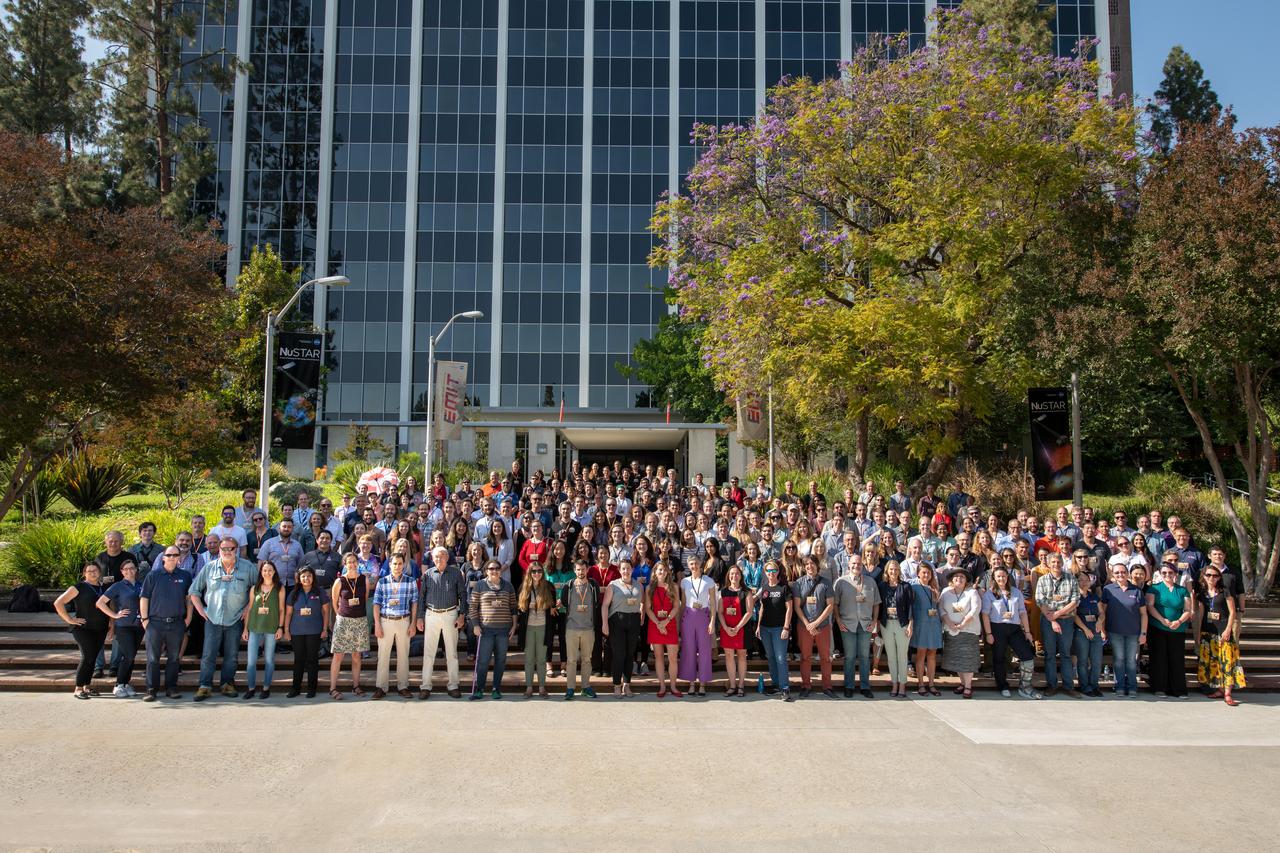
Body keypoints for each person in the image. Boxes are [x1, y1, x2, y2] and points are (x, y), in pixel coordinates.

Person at [189, 539, 256, 701]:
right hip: (212, 619)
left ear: (237, 549)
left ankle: (227, 684)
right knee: (208, 655)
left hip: (235, 619)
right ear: (219, 549)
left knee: (231, 655)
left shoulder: (248, 568)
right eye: (223, 548)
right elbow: (194, 591)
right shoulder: (210, 567)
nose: (227, 551)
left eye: (230, 548)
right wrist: (201, 611)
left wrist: (247, 609)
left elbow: (258, 591)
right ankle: (205, 686)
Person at [138, 546, 193, 701]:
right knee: (153, 658)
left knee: (174, 658)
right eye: (168, 555)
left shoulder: (185, 575)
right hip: (155, 623)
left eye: (175, 555)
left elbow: (189, 598)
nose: (172, 557)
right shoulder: (153, 575)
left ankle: (171, 688)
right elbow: (144, 598)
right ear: (163, 557)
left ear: (179, 558)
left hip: (177, 623)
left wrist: (188, 618)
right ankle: (151, 690)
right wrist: (144, 619)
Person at [980, 565, 1040, 699]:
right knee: (999, 658)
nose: (1001, 579)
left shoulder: (1016, 592)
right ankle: (1002, 685)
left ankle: (1025, 686)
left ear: (1008, 577)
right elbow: (985, 615)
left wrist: (1027, 631)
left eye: (1003, 576)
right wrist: (988, 634)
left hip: (1014, 628)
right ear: (994, 579)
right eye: (998, 576)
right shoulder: (989, 594)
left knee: (1027, 657)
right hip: (997, 628)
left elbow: (1023, 612)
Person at [416, 545, 467, 699]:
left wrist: (462, 614)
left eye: (442, 556)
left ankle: (453, 685)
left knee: (451, 653)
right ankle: (425, 686)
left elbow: (462, 595)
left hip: (450, 614)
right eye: (436, 556)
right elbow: (422, 597)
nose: (439, 559)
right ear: (432, 558)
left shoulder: (456, 573)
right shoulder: (428, 574)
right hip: (431, 615)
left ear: (447, 557)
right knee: (429, 653)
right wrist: (419, 617)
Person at [54, 563, 109, 699]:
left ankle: (87, 686)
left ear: (99, 572)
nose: (92, 573)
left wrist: (111, 627)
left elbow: (110, 607)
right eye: (89, 571)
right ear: (84, 573)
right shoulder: (78, 587)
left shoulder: (104, 588)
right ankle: (78, 688)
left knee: (93, 658)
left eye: (95, 570)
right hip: (83, 628)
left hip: (100, 628)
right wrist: (69, 619)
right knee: (87, 657)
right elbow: (58, 603)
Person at [1195, 563, 1245, 706]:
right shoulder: (1202, 594)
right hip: (1208, 632)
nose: (1212, 578)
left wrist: (1229, 629)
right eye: (1209, 575)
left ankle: (1228, 693)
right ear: (1204, 576)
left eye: (1215, 575)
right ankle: (1220, 689)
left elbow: (1232, 612)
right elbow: (1201, 614)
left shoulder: (1225, 591)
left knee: (1227, 662)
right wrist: (1199, 634)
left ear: (1219, 577)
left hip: (1223, 631)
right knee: (1214, 662)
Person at [371, 553, 419, 699]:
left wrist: (413, 623)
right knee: (383, 656)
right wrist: (377, 624)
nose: (397, 566)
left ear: (404, 565)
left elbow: (415, 603)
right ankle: (381, 687)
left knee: (403, 656)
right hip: (386, 621)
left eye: (400, 563)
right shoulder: (382, 582)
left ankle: (403, 686)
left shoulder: (411, 581)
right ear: (389, 565)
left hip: (404, 621)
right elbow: (376, 604)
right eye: (394, 563)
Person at [469, 560, 518, 700]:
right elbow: (473, 607)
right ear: (486, 571)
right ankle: (479, 688)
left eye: (497, 568)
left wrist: (514, 626)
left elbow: (513, 607)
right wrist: (476, 625)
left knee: (500, 660)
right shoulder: (480, 585)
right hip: (485, 630)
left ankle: (496, 688)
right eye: (491, 568)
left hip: (503, 630)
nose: (494, 571)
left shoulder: (508, 586)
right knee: (483, 661)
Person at [833, 552, 880, 698]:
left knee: (865, 656)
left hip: (865, 624)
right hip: (847, 624)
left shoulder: (871, 582)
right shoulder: (841, 582)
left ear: (863, 565)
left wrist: (874, 621)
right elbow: (834, 604)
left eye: (859, 564)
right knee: (850, 656)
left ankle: (865, 686)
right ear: (849, 565)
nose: (856, 566)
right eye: (853, 563)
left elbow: (877, 603)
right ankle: (849, 685)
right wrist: (839, 621)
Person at [1146, 558, 1193, 699]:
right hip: (1158, 628)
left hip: (1177, 630)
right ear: (1160, 574)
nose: (1167, 575)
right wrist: (1162, 620)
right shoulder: (1154, 588)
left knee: (1176, 659)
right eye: (1164, 572)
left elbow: (1187, 609)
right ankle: (1159, 688)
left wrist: (1179, 621)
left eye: (1170, 572)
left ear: (1175, 574)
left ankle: (1178, 690)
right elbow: (1150, 606)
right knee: (1159, 658)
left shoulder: (1182, 590)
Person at [1034, 551, 1080, 697]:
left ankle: (1068, 686)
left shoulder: (1071, 579)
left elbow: (1075, 600)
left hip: (1066, 620)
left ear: (1062, 563)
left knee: (1066, 654)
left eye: (1058, 561)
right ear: (1048, 563)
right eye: (1053, 562)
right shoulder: (1042, 580)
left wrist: (1058, 614)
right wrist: (1053, 619)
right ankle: (1051, 685)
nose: (1056, 564)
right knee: (1050, 654)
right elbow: (1040, 601)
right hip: (1048, 621)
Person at [96, 559, 144, 697]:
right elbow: (100, 603)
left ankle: (125, 684)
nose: (129, 571)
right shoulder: (118, 586)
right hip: (124, 626)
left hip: (139, 626)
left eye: (132, 568)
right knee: (127, 655)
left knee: (132, 656)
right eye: (126, 569)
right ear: (122, 571)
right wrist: (115, 615)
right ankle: (118, 685)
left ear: (136, 570)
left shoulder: (141, 585)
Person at [1099, 562, 1147, 698]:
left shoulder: (1137, 591)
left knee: (1131, 660)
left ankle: (1132, 687)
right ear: (1113, 575)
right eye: (1117, 572)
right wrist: (1102, 630)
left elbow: (1144, 614)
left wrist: (1143, 632)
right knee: (1119, 659)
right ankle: (1119, 686)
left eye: (1123, 572)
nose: (1120, 574)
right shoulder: (1108, 589)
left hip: (1133, 632)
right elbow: (1102, 611)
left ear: (1127, 573)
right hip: (1115, 631)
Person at [792, 554, 835, 699]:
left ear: (817, 565)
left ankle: (827, 686)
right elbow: (797, 606)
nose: (810, 566)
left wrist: (816, 623)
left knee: (825, 658)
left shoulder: (826, 583)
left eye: (812, 563)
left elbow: (830, 605)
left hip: (822, 626)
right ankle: (806, 685)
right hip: (804, 627)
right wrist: (808, 624)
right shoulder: (799, 583)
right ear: (804, 567)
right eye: (807, 564)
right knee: (805, 657)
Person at [328, 552, 370, 699]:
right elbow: (334, 602)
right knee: (338, 655)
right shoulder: (339, 581)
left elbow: (364, 599)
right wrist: (341, 615)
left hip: (360, 620)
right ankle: (333, 688)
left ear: (357, 563)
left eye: (354, 561)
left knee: (356, 655)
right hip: (343, 620)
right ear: (344, 564)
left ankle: (356, 686)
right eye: (349, 562)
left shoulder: (364, 579)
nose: (352, 564)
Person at [241, 561, 285, 699]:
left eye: (270, 570)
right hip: (254, 627)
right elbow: (249, 609)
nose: (267, 572)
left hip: (271, 628)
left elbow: (282, 610)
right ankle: (251, 687)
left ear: (274, 572)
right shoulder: (255, 588)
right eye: (265, 570)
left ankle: (266, 687)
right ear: (261, 572)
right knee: (251, 661)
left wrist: (280, 627)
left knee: (269, 660)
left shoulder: (279, 588)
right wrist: (245, 629)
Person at [601, 559, 645, 697]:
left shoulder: (639, 585)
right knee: (619, 654)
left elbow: (642, 602)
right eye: (623, 569)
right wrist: (605, 623)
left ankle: (627, 685)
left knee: (629, 654)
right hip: (617, 622)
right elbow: (605, 606)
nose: (626, 571)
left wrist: (642, 616)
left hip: (633, 621)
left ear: (632, 569)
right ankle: (616, 685)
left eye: (628, 568)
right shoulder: (613, 585)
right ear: (620, 570)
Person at [285, 566, 330, 698]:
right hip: (296, 631)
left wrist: (325, 629)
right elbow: (288, 613)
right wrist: (286, 630)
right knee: (298, 660)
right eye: (303, 576)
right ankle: (295, 688)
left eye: (309, 576)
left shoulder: (319, 592)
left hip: (314, 631)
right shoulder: (294, 593)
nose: (306, 578)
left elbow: (326, 611)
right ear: (299, 578)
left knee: (312, 660)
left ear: (313, 577)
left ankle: (311, 689)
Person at [560, 559, 599, 699]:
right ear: (574, 570)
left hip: (588, 629)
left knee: (587, 660)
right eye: (578, 569)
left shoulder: (593, 585)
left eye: (583, 569)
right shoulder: (568, 586)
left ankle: (585, 686)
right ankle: (570, 688)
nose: (581, 572)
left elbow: (596, 604)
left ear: (587, 569)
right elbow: (563, 602)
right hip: (572, 628)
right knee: (571, 660)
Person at [939, 569, 982, 698]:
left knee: (967, 660)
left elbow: (975, 610)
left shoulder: (972, 592)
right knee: (957, 660)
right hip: (951, 630)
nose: (959, 578)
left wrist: (963, 624)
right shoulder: (946, 592)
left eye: (962, 576)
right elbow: (940, 608)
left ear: (966, 580)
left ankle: (968, 686)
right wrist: (950, 623)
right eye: (956, 576)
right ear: (952, 579)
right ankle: (963, 683)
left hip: (968, 631)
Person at [755, 561, 794, 700]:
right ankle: (776, 684)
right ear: (765, 572)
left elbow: (789, 608)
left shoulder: (784, 587)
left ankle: (785, 687)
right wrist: (759, 626)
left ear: (778, 572)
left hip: (779, 629)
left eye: (773, 570)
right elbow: (762, 608)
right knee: (771, 658)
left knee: (780, 659)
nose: (771, 573)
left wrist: (786, 627)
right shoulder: (764, 588)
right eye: (768, 571)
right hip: (765, 628)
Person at [678, 555, 717, 696]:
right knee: (689, 650)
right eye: (691, 564)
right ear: (688, 566)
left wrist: (712, 621)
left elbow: (713, 603)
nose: (694, 566)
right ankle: (691, 683)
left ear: (701, 564)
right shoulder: (684, 582)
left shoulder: (709, 581)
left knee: (704, 650)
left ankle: (702, 684)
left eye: (696, 563)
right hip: (688, 617)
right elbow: (683, 602)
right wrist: (679, 623)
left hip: (704, 616)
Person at [878, 560, 915, 698]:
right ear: (887, 571)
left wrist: (910, 625)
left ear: (899, 571)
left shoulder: (906, 587)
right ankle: (894, 683)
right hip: (886, 624)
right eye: (891, 569)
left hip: (902, 624)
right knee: (891, 657)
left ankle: (903, 684)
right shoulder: (882, 586)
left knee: (902, 656)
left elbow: (911, 607)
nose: (893, 572)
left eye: (896, 569)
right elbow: (879, 605)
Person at [517, 562, 555, 697]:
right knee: (529, 659)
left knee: (541, 659)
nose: (537, 573)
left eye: (539, 571)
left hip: (543, 627)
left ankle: (541, 687)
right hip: (528, 628)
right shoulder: (524, 587)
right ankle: (528, 687)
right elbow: (520, 608)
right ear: (529, 573)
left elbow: (553, 607)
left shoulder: (549, 587)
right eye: (534, 571)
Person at [645, 561, 682, 697]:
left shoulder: (674, 587)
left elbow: (676, 607)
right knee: (659, 657)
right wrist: (658, 624)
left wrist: (665, 622)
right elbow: (648, 608)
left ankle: (673, 686)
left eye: (664, 570)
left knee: (672, 658)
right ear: (655, 572)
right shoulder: (649, 588)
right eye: (659, 570)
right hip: (655, 625)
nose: (662, 572)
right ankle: (662, 687)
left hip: (670, 624)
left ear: (668, 572)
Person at [718, 564, 753, 697]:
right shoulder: (723, 592)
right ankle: (732, 685)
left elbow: (749, 612)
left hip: (742, 629)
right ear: (728, 576)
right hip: (727, 629)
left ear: (741, 576)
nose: (734, 576)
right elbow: (720, 612)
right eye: (732, 573)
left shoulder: (746, 591)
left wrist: (737, 627)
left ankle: (741, 685)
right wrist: (726, 628)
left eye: (737, 573)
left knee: (742, 656)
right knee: (728, 656)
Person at [909, 564, 944, 696]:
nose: (926, 575)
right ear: (918, 573)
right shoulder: (914, 587)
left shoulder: (934, 588)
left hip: (934, 624)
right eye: (923, 573)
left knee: (932, 655)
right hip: (921, 624)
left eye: (928, 573)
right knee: (920, 655)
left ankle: (931, 684)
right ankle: (921, 684)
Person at [1071, 571, 1105, 697]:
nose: (1084, 582)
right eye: (1081, 580)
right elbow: (1074, 615)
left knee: (1097, 661)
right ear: (1076, 582)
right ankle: (1084, 686)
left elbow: (1101, 612)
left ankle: (1094, 685)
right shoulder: (1075, 597)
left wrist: (1100, 622)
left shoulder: (1094, 597)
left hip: (1095, 631)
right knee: (1083, 660)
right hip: (1081, 632)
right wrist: (1085, 629)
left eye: (1086, 579)